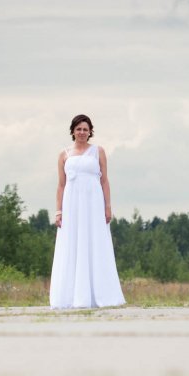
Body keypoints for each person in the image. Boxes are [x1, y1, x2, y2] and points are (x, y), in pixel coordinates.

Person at [49, 114, 126, 309]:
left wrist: (107, 206)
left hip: (93, 204)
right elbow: (60, 185)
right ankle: (70, 296)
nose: (82, 132)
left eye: (85, 129)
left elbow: (104, 181)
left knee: (95, 242)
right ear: (73, 131)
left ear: (90, 131)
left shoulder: (98, 151)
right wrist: (59, 211)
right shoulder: (64, 154)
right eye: (78, 129)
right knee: (72, 243)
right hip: (72, 204)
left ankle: (99, 294)